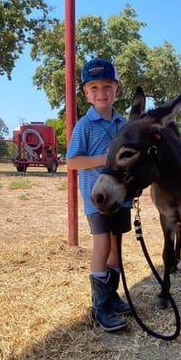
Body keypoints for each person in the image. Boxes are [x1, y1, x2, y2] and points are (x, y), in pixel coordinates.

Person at [66, 58, 132, 332]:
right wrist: (105, 159)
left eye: (107, 86)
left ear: (117, 89)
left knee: (117, 246)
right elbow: (72, 162)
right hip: (98, 199)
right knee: (102, 247)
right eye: (94, 87)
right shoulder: (85, 125)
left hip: (121, 197)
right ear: (86, 93)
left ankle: (112, 295)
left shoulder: (124, 123)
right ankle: (100, 307)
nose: (101, 92)